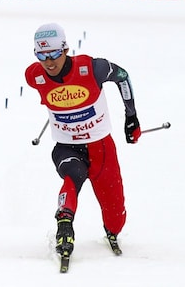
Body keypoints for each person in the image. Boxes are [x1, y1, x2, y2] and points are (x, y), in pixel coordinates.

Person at [24, 23, 141, 259]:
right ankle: (64, 223)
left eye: (54, 54)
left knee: (116, 217)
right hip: (66, 146)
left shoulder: (92, 68)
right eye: (41, 56)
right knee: (72, 175)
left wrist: (132, 117)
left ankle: (112, 230)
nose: (48, 63)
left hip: (101, 147)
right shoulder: (33, 75)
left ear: (65, 49)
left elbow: (123, 76)